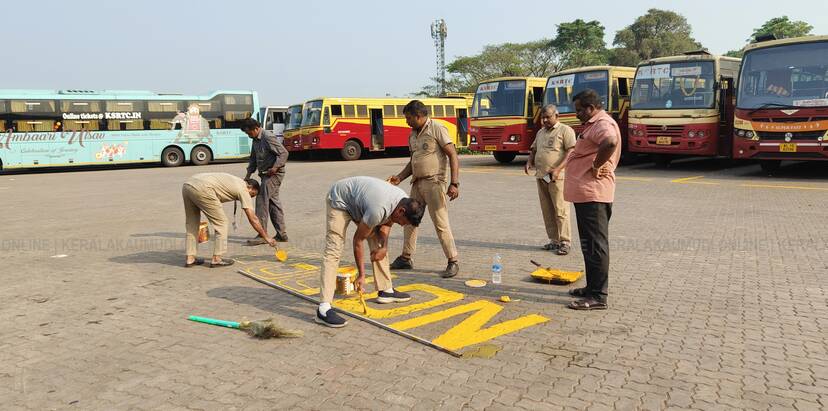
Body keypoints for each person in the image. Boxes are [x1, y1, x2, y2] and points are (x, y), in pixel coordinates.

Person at [316, 176, 425, 327]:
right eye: (403, 222)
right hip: (340, 200)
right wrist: (361, 275)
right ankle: (324, 308)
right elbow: (358, 241)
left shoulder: (401, 200)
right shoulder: (378, 210)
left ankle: (385, 290)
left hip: (362, 204)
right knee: (334, 249)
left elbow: (387, 223)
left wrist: (384, 247)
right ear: (401, 211)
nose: (401, 225)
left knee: (378, 244)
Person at [387, 100, 461, 278]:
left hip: (434, 183)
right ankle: (406, 258)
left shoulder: (437, 128)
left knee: (440, 223)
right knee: (409, 220)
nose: (406, 121)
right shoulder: (412, 135)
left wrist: (454, 183)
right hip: (417, 183)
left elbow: (452, 154)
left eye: (408, 118)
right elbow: (413, 162)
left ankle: (453, 261)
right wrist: (400, 177)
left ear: (419, 116)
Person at [564, 89, 621, 310]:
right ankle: (591, 288)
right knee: (589, 245)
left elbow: (610, 142)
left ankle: (598, 296)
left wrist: (596, 165)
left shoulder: (602, 124)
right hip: (586, 194)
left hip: (594, 194)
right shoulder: (593, 124)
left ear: (591, 108)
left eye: (579, 110)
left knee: (596, 246)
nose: (577, 114)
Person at [182, 173, 276, 268]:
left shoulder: (236, 181)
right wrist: (266, 237)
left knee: (192, 223)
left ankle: (190, 258)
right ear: (250, 187)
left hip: (188, 184)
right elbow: (253, 218)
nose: (250, 198)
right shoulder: (243, 189)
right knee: (221, 223)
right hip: (204, 188)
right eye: (252, 194)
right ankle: (217, 259)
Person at [524, 104, 577, 255]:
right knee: (547, 210)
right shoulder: (541, 132)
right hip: (542, 176)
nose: (545, 120)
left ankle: (565, 242)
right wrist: (529, 161)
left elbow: (571, 152)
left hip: (557, 178)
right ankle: (554, 240)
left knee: (561, 210)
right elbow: (534, 149)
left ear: (557, 116)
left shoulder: (565, 130)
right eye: (543, 117)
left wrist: (558, 169)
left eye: (548, 117)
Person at [242, 118, 289, 245]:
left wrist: (275, 167)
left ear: (256, 129)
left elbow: (284, 153)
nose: (248, 135)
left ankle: (262, 235)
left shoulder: (268, 137)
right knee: (273, 204)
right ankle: (282, 234)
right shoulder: (255, 140)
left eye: (249, 133)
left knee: (262, 201)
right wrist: (247, 176)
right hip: (265, 175)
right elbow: (253, 159)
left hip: (274, 175)